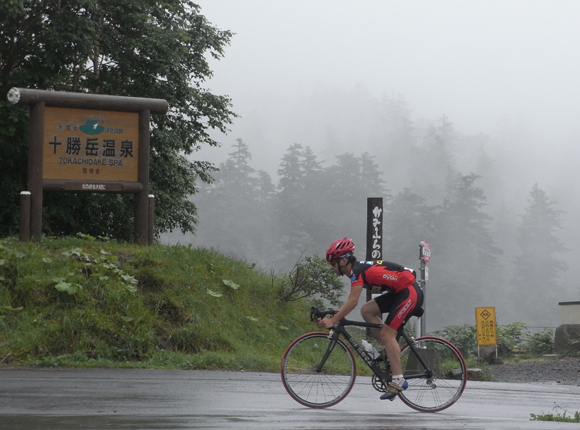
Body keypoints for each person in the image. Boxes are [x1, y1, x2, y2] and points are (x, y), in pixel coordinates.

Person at [316, 237, 424, 400]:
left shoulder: (356, 272)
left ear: (343, 260)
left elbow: (352, 301)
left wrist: (333, 320)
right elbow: (353, 303)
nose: (332, 267)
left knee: (387, 334)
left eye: (333, 263)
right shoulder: (356, 272)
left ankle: (398, 379)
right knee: (367, 311)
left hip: (409, 292)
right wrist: (335, 314)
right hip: (399, 292)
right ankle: (388, 351)